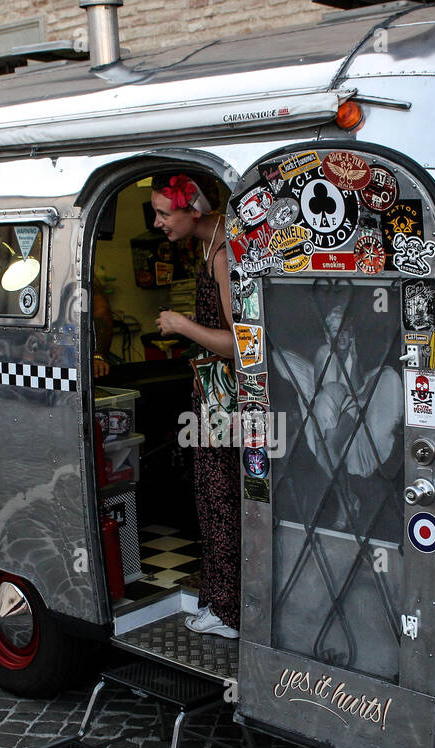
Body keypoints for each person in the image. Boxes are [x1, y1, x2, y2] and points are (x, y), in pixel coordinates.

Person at [152, 171, 239, 640]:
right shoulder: (212, 246)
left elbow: (236, 344)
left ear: (195, 208)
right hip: (215, 397)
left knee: (219, 497)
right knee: (214, 497)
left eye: (165, 212)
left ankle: (228, 613)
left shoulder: (222, 252)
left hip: (226, 403)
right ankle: (222, 601)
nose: (158, 222)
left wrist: (182, 325)